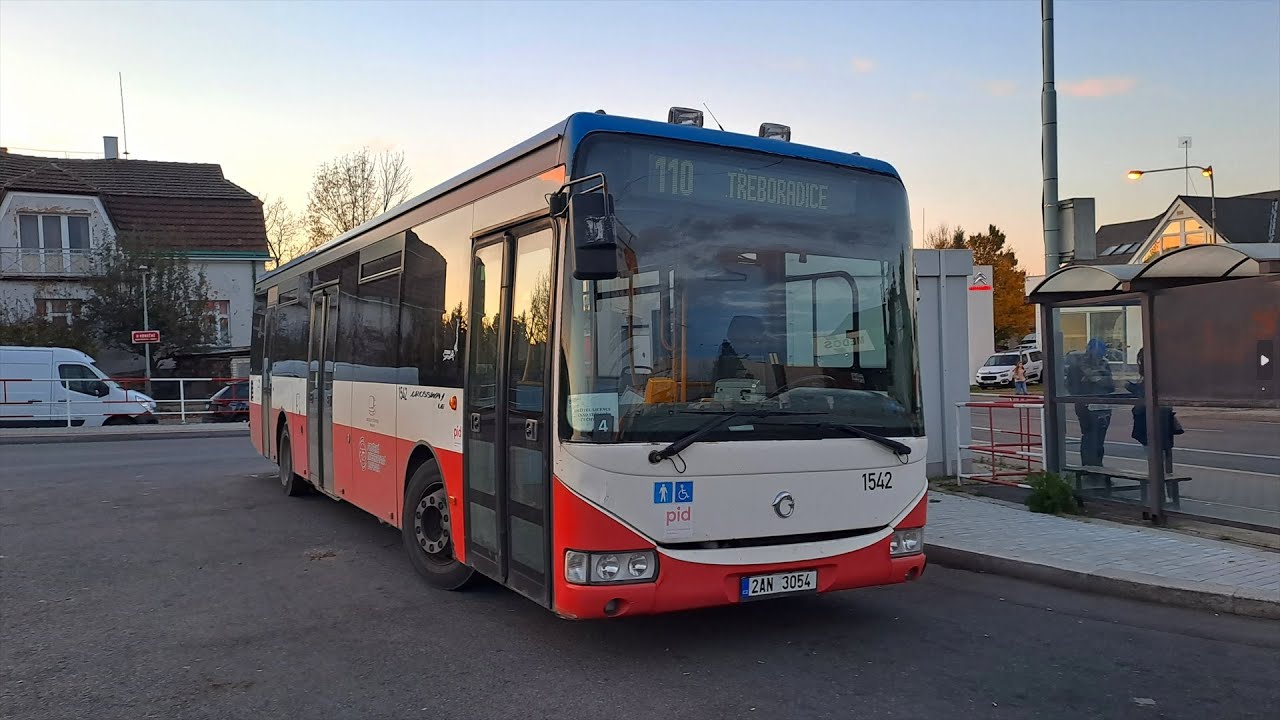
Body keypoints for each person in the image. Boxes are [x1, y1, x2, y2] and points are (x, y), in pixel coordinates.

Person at [1064, 338, 1115, 466]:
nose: (1099, 357)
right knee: (1089, 436)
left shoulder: (1104, 364)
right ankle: (1089, 467)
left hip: (1102, 404)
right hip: (1086, 404)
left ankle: (1097, 465)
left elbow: (1111, 385)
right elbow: (1071, 386)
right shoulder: (1077, 366)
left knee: (1098, 439)